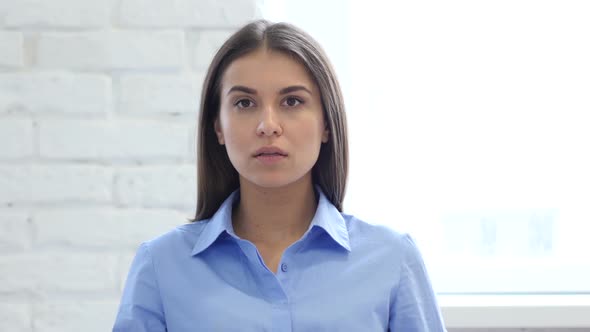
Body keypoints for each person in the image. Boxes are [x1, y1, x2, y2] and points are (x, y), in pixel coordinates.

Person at [113, 19, 446, 331]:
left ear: (326, 124)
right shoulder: (161, 266)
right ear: (218, 127)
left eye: (292, 101)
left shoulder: (391, 258)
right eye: (244, 103)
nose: (268, 125)